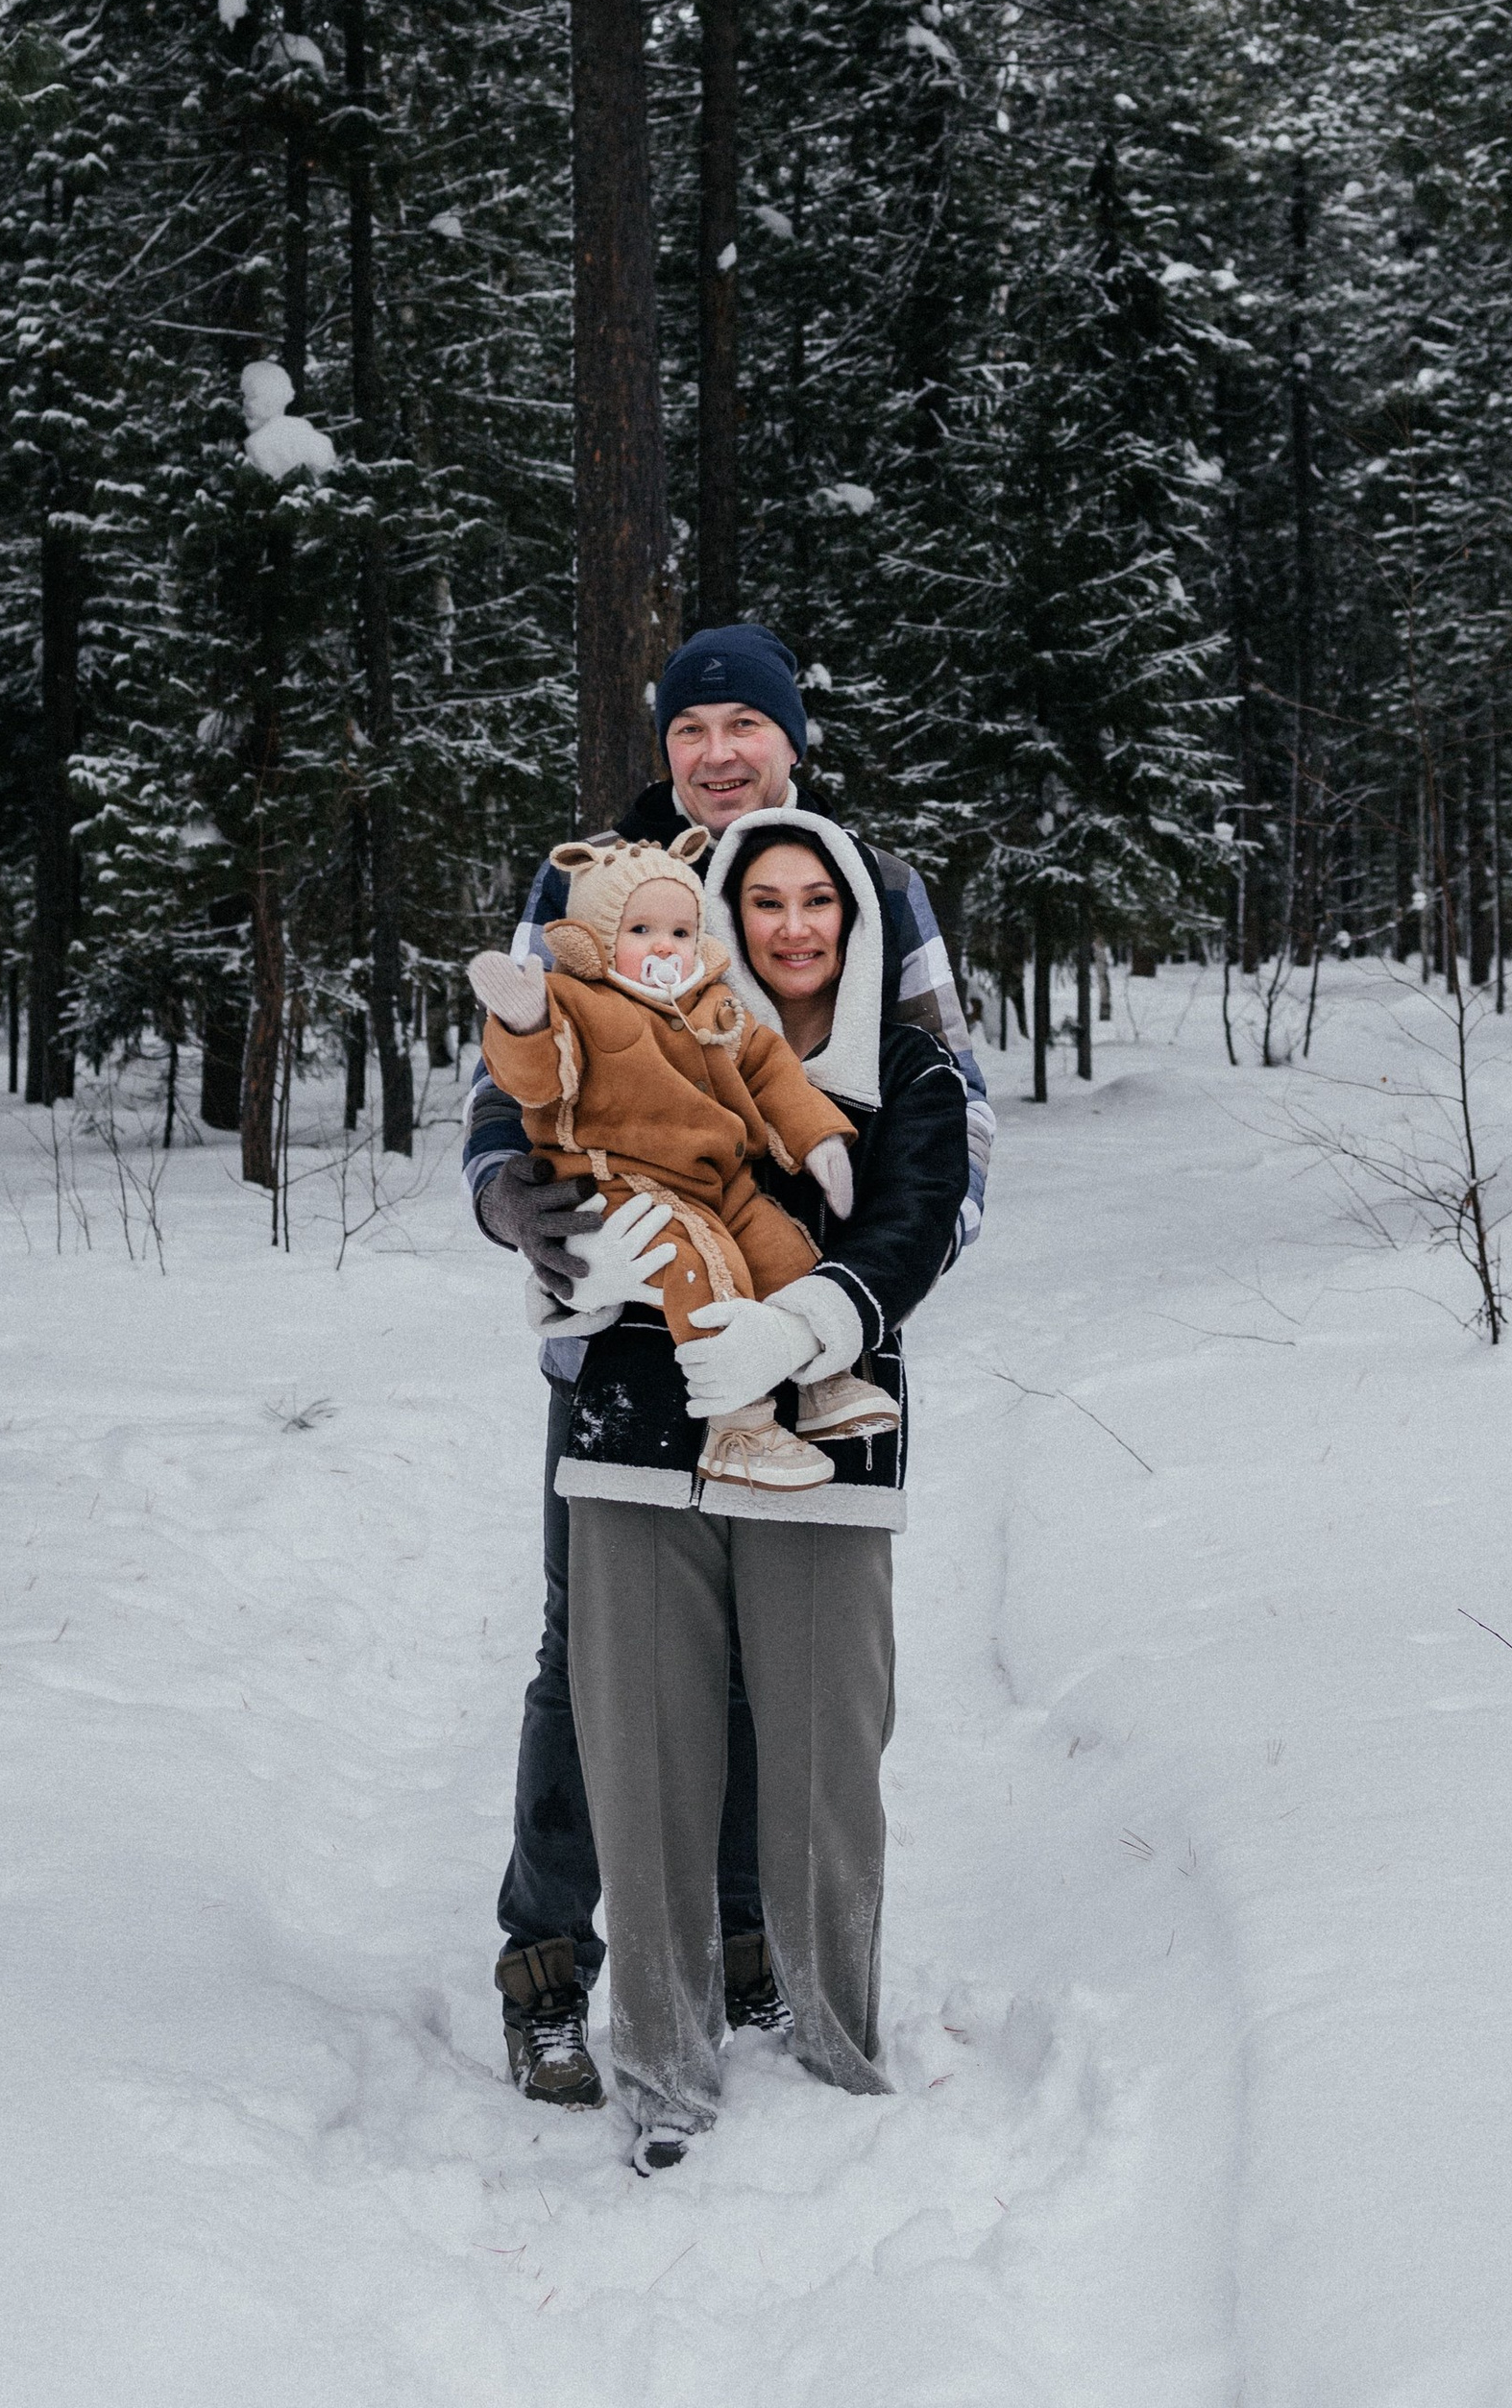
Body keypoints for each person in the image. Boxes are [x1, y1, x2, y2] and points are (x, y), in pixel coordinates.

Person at [470, 619, 992, 2109]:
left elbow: (945, 1108)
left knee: (783, 1662)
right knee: (596, 1662)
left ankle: (746, 1939)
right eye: (689, 731)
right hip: (621, 1341)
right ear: (663, 752)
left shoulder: (864, 885)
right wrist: (526, 1217)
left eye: (743, 729)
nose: (717, 753)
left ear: (791, 741)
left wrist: (852, 1288)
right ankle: (551, 1963)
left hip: (804, 1305)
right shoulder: (586, 881)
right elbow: (510, 1098)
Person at [554, 810, 971, 2169]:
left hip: (828, 1446)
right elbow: (532, 1161)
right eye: (765, 901)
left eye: (820, 902)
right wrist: (568, 1260)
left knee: (821, 1765)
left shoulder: (905, 1064)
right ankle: (667, 2073)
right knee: (645, 1760)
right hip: (635, 1429)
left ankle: (840, 2057)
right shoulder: (623, 1023)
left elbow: (916, 1219)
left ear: (852, 919)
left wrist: (813, 1325)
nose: (794, 927)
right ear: (721, 916)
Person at [466, 831, 899, 1490]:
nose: (665, 946)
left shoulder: (715, 1004)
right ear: (598, 938)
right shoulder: (578, 1003)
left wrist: (817, 1138)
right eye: (641, 929)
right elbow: (535, 1082)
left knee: (785, 1251)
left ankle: (823, 1383)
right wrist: (525, 1026)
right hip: (621, 1186)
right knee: (700, 1269)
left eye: (680, 930)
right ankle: (739, 1424)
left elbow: (770, 1069)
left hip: (718, 1183)